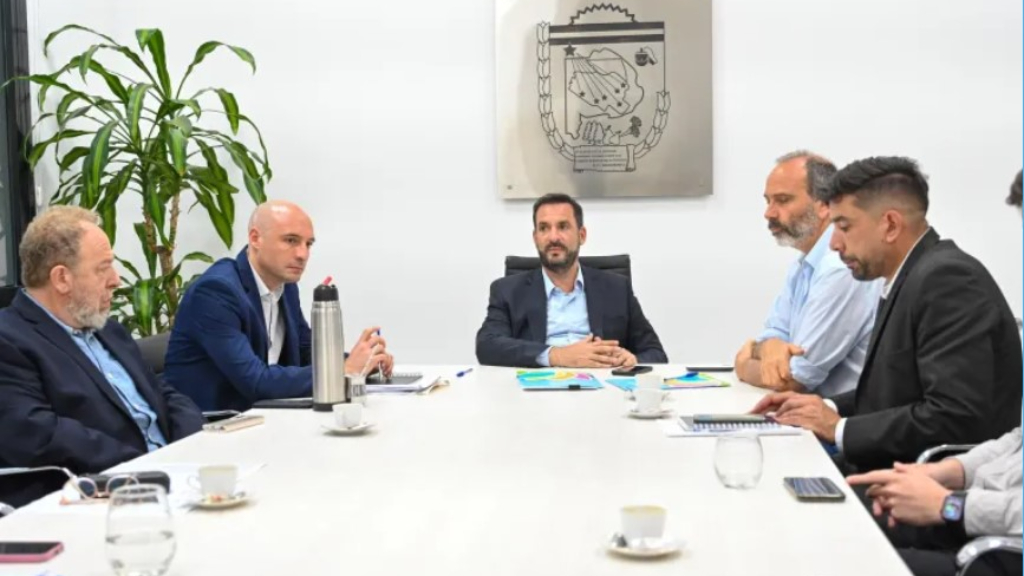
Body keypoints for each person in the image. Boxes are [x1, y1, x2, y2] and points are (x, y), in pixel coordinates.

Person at [752, 157, 1021, 472]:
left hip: (925, 485)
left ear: (891, 225)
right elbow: (897, 392)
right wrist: (825, 405)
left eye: (844, 226)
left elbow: (953, 416)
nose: (835, 244)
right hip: (892, 467)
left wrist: (838, 428)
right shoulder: (906, 275)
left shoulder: (946, 279)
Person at [845, 170, 1024, 576]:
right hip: (983, 512)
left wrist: (953, 504)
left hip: (998, 540)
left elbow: (954, 412)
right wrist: (950, 472)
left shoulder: (945, 277)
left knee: (839, 556)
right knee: (833, 523)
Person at [0, 207, 205, 507]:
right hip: (95, 496)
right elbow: (39, 435)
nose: (116, 280)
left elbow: (162, 393)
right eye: (103, 268)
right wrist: (147, 465)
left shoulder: (108, 330)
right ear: (61, 279)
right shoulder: (9, 339)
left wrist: (194, 445)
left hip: (171, 478)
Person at [166, 200, 394, 411]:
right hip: (214, 428)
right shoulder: (216, 292)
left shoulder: (285, 286)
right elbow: (255, 381)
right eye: (291, 240)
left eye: (308, 244)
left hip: (266, 417)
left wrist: (360, 362)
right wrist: (342, 372)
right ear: (255, 239)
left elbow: (305, 352)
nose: (303, 254)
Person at [734, 151, 880, 396]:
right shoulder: (804, 265)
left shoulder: (841, 268)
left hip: (841, 425)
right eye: (767, 201)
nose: (768, 213)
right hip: (807, 417)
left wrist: (743, 365)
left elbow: (792, 379)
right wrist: (768, 347)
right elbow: (774, 334)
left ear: (824, 205)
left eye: (782, 200)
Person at [476, 193, 667, 368]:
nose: (553, 237)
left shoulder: (616, 288)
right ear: (535, 238)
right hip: (537, 389)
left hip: (603, 389)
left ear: (581, 235)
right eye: (544, 228)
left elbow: (656, 354)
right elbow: (487, 346)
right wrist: (557, 356)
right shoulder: (507, 290)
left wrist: (632, 360)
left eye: (563, 226)